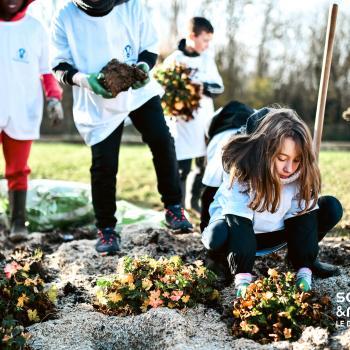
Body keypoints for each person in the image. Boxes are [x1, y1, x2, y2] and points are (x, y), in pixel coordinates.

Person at [50, 0, 193, 256]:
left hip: (137, 91)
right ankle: (106, 229)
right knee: (105, 164)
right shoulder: (66, 15)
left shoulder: (130, 5)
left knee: (162, 139)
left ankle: (173, 207)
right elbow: (59, 65)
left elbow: (149, 48)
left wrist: (142, 69)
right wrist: (85, 80)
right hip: (97, 98)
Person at [201, 107, 343, 297]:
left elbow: (302, 221)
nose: (289, 168)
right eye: (282, 158)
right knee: (215, 236)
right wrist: (243, 278)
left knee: (330, 207)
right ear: (265, 151)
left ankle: (304, 259)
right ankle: (219, 261)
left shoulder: (299, 175)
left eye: (296, 160)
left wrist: (304, 271)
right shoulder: (242, 174)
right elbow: (239, 224)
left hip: (278, 232)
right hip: (240, 233)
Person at [0, 0, 64, 242]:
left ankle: (18, 221)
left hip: (23, 108)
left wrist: (54, 99)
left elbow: (47, 71)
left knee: (18, 169)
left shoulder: (35, 29)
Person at [163, 17, 224, 213]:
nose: (207, 45)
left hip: (204, 121)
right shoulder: (174, 60)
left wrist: (201, 87)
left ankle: (194, 201)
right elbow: (163, 90)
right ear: (192, 36)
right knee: (181, 167)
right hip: (181, 123)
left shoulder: (207, 59)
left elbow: (218, 86)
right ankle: (177, 208)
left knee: (203, 165)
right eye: (205, 40)